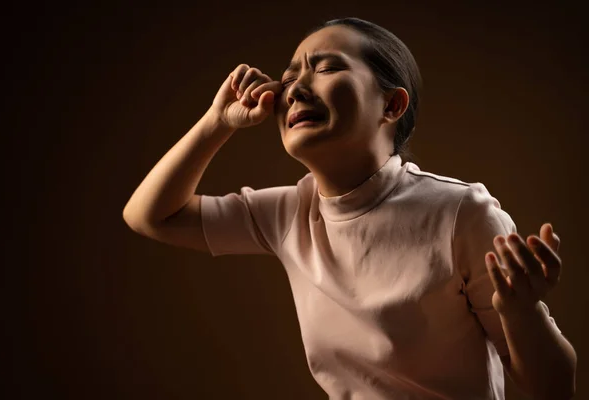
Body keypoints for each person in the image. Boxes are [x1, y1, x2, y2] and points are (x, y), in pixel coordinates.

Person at [123, 17, 576, 400]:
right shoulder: (287, 213)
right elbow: (149, 216)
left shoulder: (462, 212)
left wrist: (522, 310)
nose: (294, 89)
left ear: (391, 105)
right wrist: (215, 123)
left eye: (326, 68)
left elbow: (552, 388)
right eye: (290, 76)